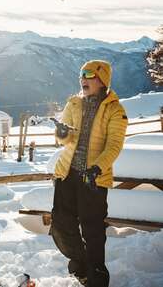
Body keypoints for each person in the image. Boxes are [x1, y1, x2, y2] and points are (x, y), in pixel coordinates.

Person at [50, 60, 128, 287]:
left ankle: (97, 279)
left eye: (89, 74)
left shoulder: (115, 110)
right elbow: (64, 139)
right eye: (81, 75)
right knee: (61, 225)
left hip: (93, 178)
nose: (83, 79)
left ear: (102, 80)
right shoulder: (74, 103)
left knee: (92, 232)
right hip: (67, 173)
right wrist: (62, 133)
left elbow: (114, 145)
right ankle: (81, 266)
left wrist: (96, 168)